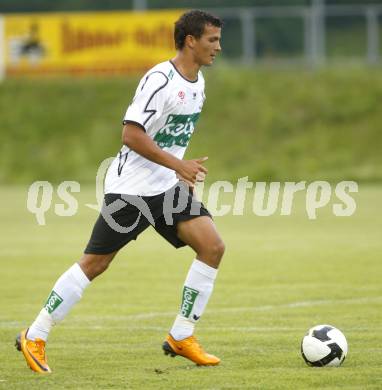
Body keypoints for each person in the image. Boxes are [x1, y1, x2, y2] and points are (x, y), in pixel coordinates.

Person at [16, 9, 224, 373]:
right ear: (190, 40)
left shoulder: (198, 83)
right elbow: (131, 133)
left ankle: (181, 335)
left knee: (212, 246)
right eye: (212, 40)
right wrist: (179, 165)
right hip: (132, 191)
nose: (218, 47)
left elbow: (167, 139)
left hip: (166, 189)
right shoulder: (159, 80)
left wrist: (177, 171)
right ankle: (35, 334)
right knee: (95, 264)